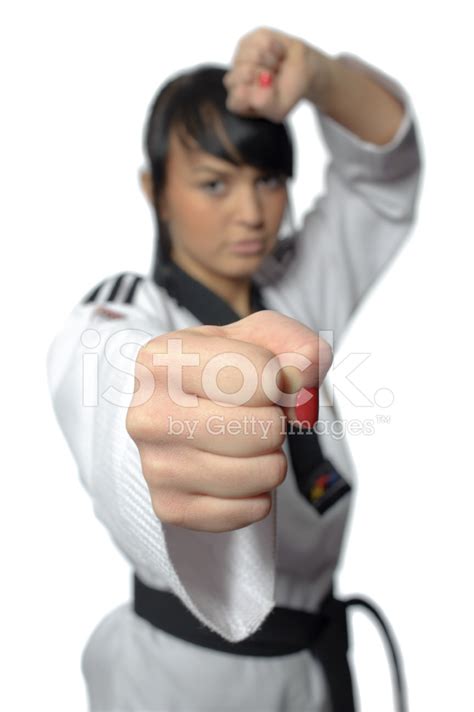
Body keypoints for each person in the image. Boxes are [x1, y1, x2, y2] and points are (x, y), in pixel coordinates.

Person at [47, 25, 422, 712]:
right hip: (181, 683)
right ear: (154, 190)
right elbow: (108, 389)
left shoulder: (296, 291)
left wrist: (322, 80)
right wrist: (156, 448)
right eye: (214, 184)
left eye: (269, 180)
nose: (252, 213)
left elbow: (383, 182)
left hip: (312, 669)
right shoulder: (125, 314)